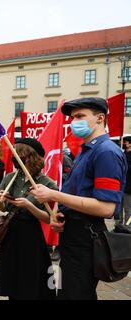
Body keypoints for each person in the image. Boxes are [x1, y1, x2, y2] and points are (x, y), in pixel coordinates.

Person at [31, 98, 127, 300]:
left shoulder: (106, 152)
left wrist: (54, 195)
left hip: (85, 237)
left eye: (80, 116)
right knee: (69, 292)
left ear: (100, 118)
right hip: (73, 233)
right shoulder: (87, 150)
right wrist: (59, 213)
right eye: (73, 117)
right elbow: (77, 192)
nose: (74, 121)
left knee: (75, 294)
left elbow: (106, 208)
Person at [0, 138, 58, 300]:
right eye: (15, 155)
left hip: (31, 236)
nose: (16, 159)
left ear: (31, 157)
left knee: (29, 280)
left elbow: (49, 219)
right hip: (11, 233)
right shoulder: (10, 178)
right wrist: (0, 202)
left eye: (20, 155)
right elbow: (1, 209)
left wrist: (29, 206)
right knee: (11, 279)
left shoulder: (47, 184)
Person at [118, 136, 131, 228]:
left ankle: (127, 226)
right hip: (120, 185)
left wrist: (124, 166)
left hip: (129, 187)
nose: (124, 143)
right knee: (118, 207)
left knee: (128, 208)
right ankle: (119, 225)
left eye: (125, 142)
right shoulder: (122, 154)